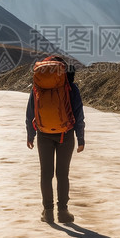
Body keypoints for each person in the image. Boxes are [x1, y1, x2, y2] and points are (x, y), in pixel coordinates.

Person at [26, 57, 85, 224]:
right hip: (65, 134)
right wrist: (80, 138)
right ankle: (63, 212)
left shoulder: (37, 88)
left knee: (46, 174)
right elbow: (79, 115)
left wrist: (30, 134)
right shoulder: (71, 88)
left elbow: (30, 112)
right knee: (62, 174)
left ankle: (48, 211)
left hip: (43, 134)